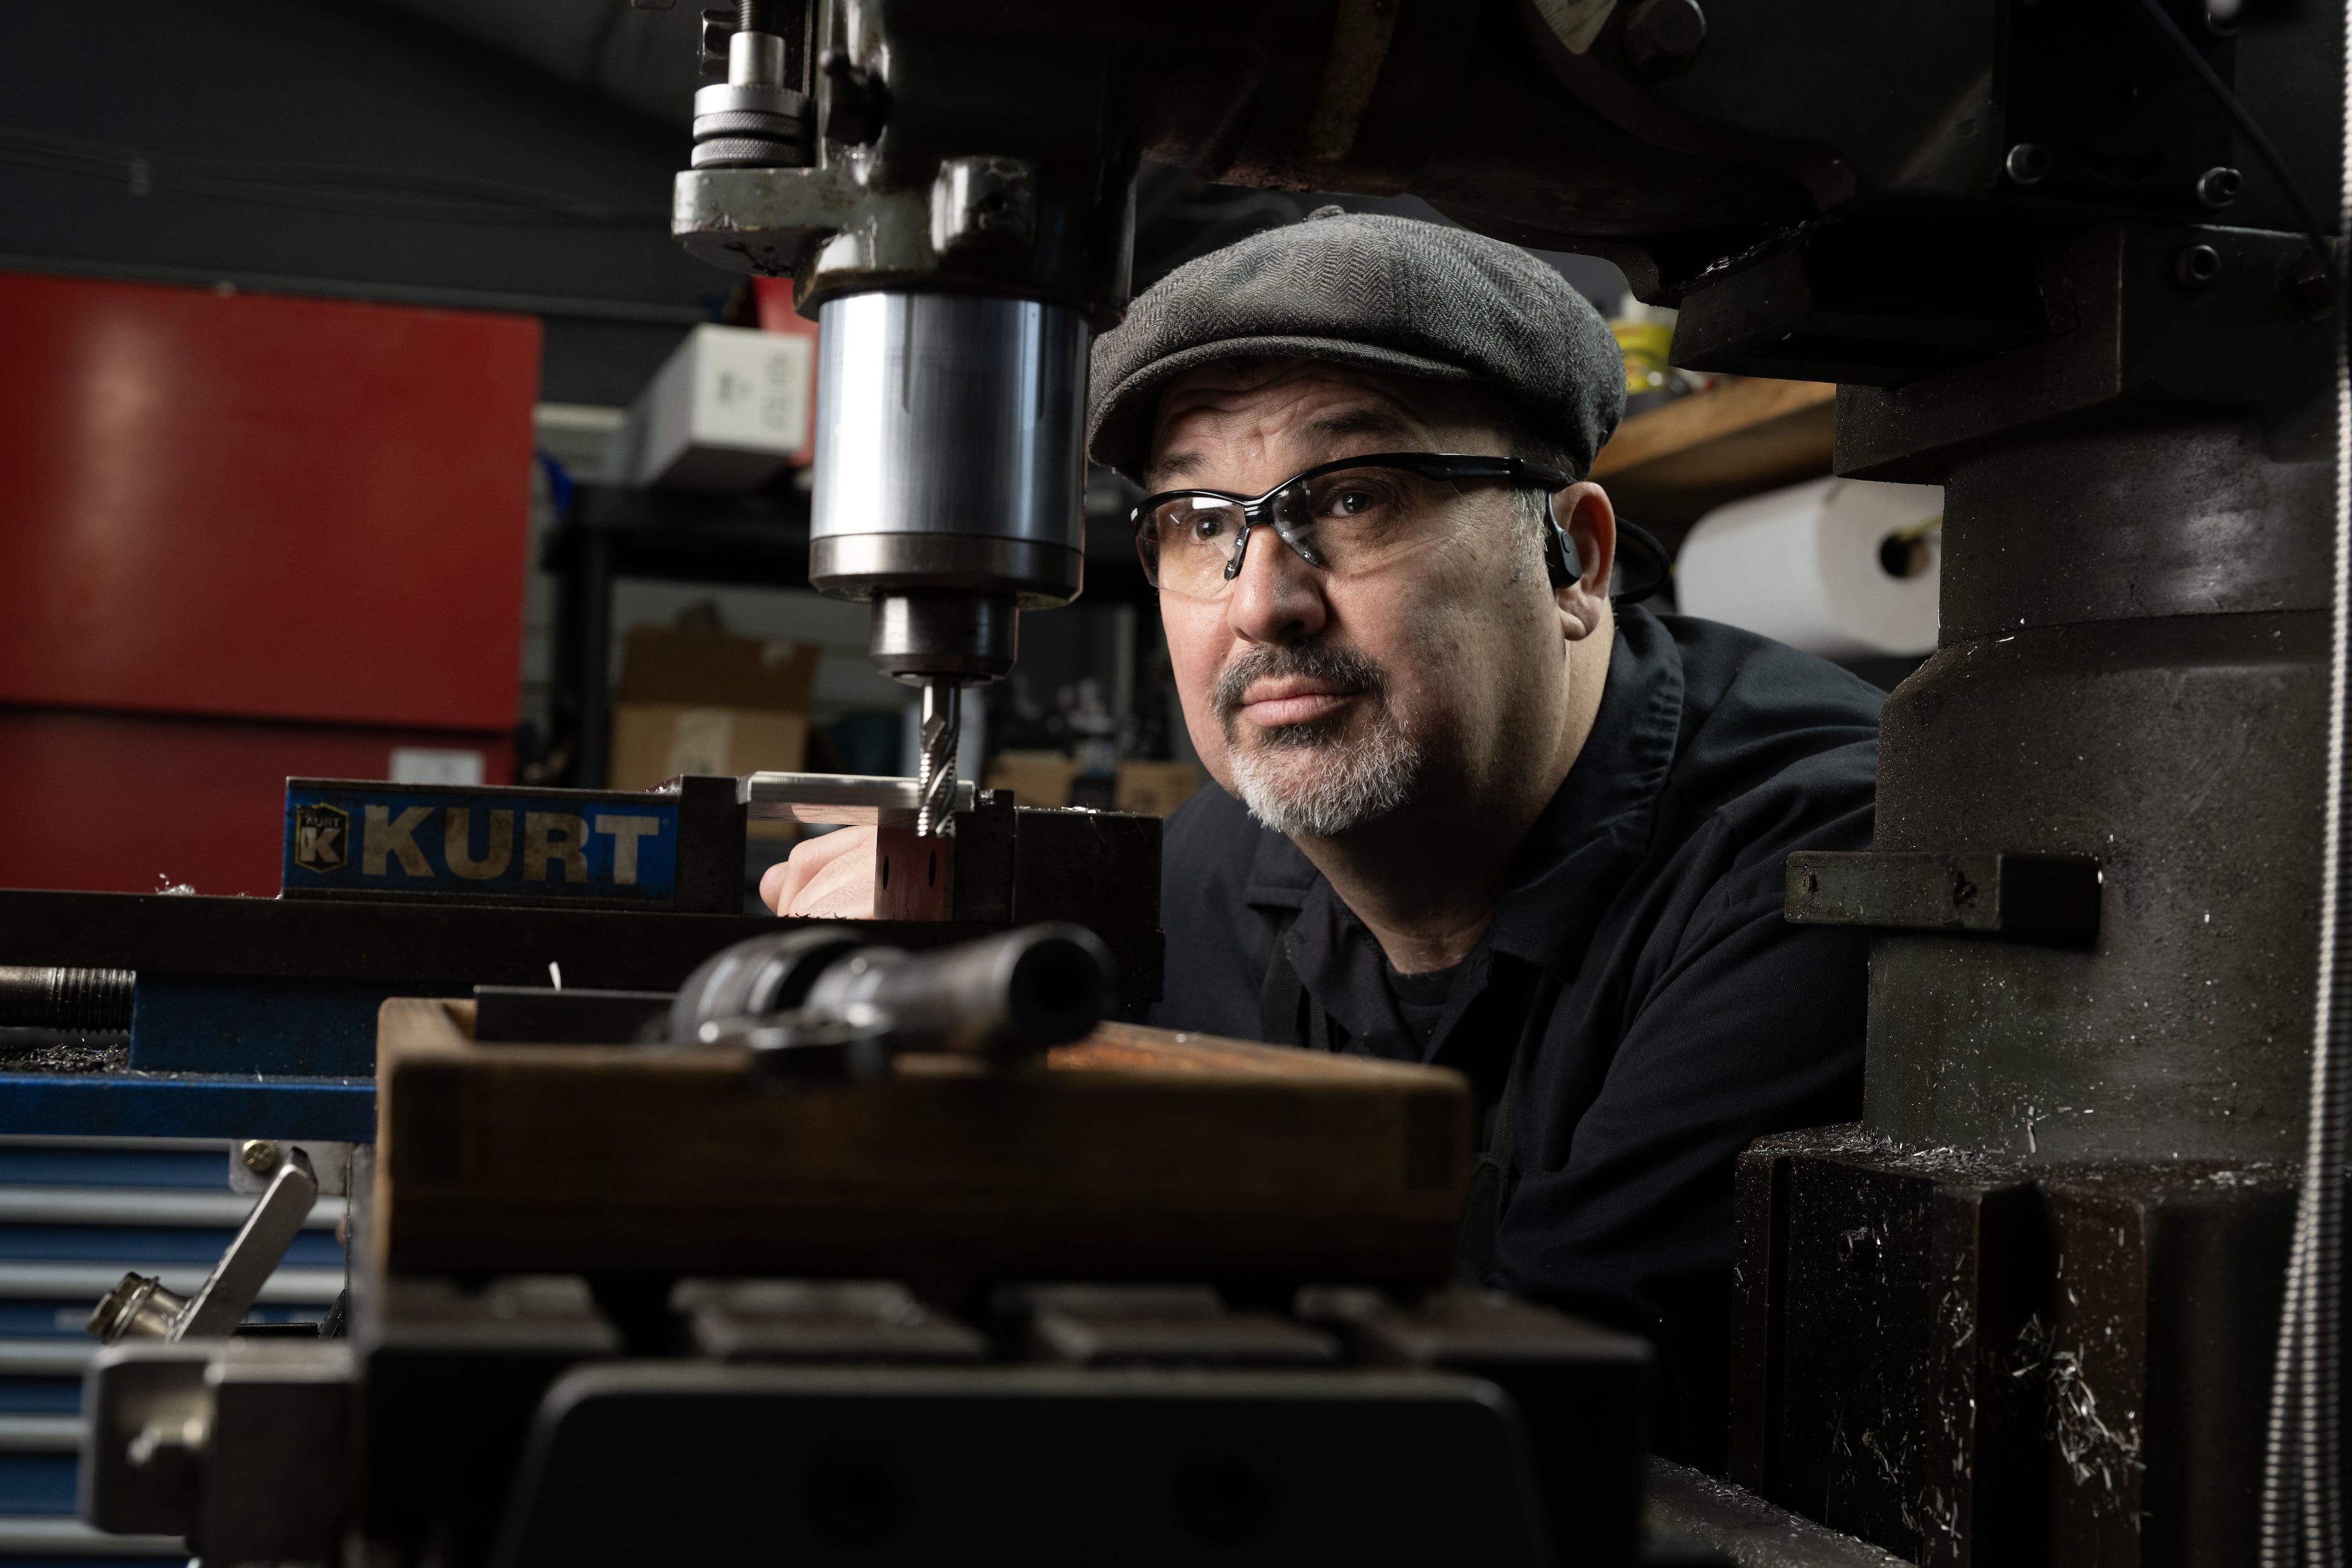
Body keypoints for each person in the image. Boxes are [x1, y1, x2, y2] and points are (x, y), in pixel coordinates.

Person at [763, 208, 1879, 1466]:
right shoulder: (1220, 861)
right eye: (1198, 518)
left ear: (1575, 560)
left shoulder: (1814, 860)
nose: (1261, 601)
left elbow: (1543, 1394)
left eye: (1351, 497)